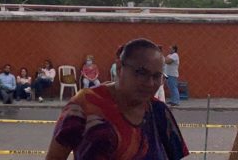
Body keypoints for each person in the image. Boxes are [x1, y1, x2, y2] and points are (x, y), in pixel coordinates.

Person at [46, 38, 189, 160]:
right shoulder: (85, 105)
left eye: (157, 76)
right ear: (120, 68)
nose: (150, 83)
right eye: (141, 73)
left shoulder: (159, 111)